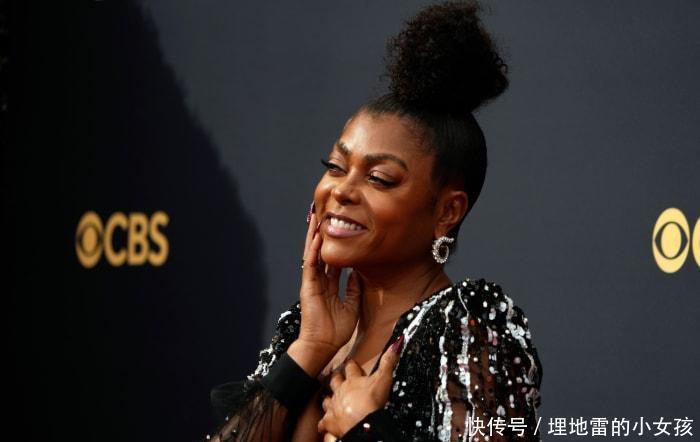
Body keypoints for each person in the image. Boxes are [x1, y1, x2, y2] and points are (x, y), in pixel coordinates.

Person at [203, 1, 543, 441]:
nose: (342, 191)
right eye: (335, 167)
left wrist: (366, 428)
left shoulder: (465, 329)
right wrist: (310, 349)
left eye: (379, 178)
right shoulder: (306, 328)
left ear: (447, 211)